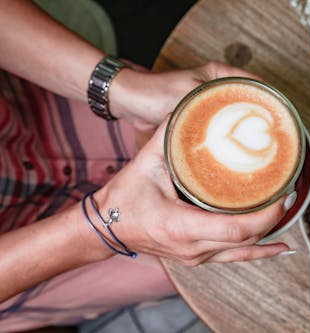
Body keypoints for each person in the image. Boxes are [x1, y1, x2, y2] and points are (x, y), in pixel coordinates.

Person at [0, 1, 295, 330]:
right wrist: (100, 231)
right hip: (29, 259)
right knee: (206, 264)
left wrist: (119, 88)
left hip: (32, 102)